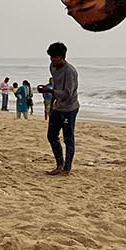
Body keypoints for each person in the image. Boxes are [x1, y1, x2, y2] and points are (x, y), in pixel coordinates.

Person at [43, 42, 79, 176]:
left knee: (68, 139)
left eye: (55, 58)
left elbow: (68, 94)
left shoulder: (70, 72)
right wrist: (51, 104)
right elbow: (55, 84)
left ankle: (67, 169)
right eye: (51, 58)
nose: (52, 61)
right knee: (51, 136)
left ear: (62, 57)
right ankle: (59, 164)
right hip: (57, 107)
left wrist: (50, 91)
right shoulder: (52, 67)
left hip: (69, 108)